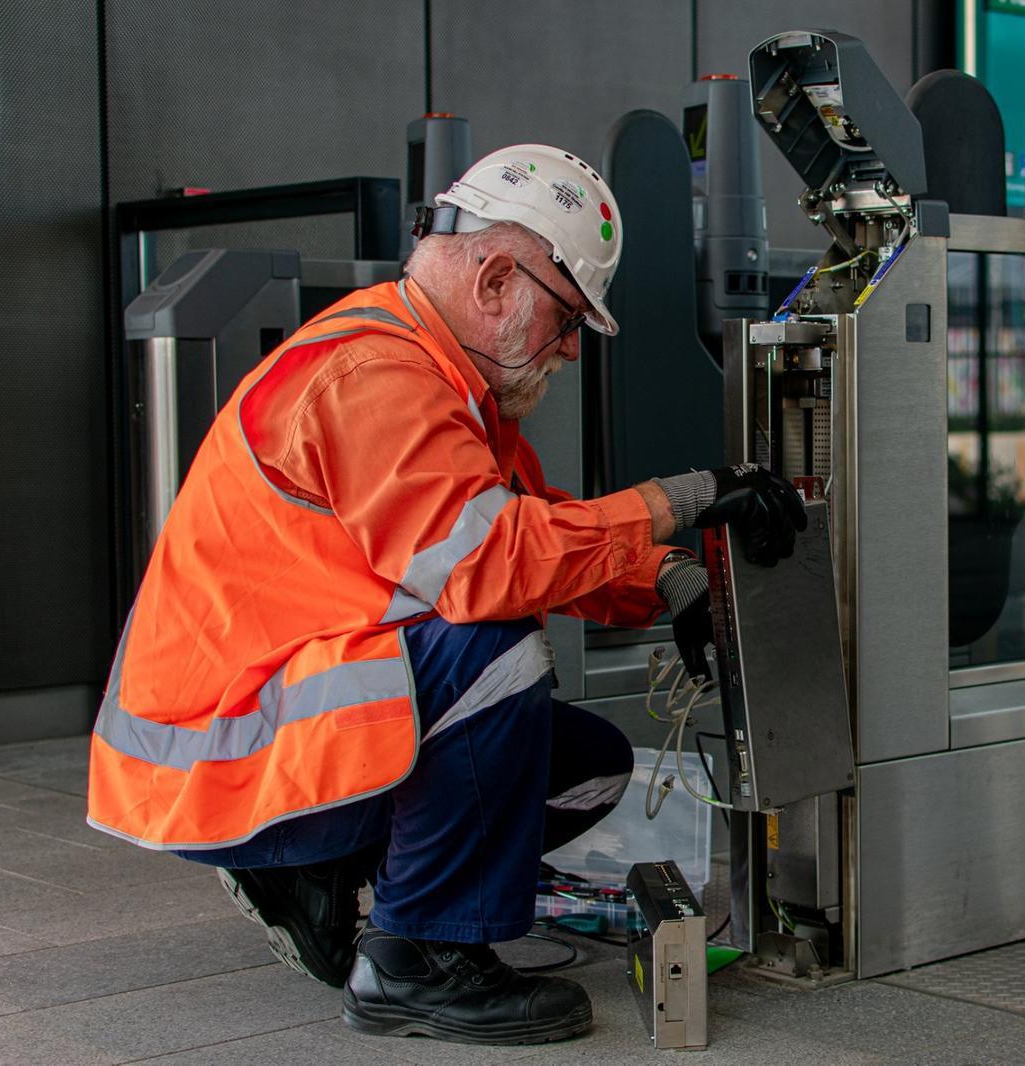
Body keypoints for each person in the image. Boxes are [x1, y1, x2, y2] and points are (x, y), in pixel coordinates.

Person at [86, 144, 805, 1046]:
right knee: (494, 646)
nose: (571, 349)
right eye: (567, 317)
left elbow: (538, 524)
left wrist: (673, 574)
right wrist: (688, 499)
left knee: (581, 763)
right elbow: (494, 569)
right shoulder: (372, 377)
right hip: (222, 748)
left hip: (258, 727)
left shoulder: (440, 381)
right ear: (498, 278)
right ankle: (416, 958)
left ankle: (325, 873)